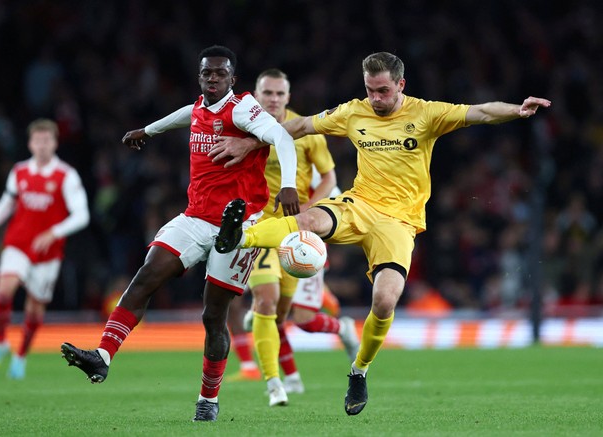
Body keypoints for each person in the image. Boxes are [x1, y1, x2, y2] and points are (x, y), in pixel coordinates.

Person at [212, 51, 551, 415]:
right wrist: (251, 142)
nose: (376, 99)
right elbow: (301, 125)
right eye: (370, 90)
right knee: (310, 221)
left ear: (401, 85)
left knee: (385, 301)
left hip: (399, 222)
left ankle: (358, 371)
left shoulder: (426, 113)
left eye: (383, 91)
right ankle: (237, 237)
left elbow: (480, 112)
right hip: (359, 205)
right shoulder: (353, 112)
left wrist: (516, 109)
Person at [59, 46, 300, 422]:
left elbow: (282, 138)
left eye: (221, 73)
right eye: (207, 73)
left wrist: (288, 186)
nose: (213, 78)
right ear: (200, 76)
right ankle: (102, 356)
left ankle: (208, 399)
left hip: (240, 224)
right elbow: (186, 115)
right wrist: (147, 131)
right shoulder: (201, 108)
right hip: (195, 217)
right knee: (146, 276)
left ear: (232, 78)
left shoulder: (243, 108)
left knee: (213, 315)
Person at [218, 69, 359, 406]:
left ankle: (336, 330)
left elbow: (329, 179)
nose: (274, 99)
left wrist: (307, 211)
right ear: (256, 93)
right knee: (264, 303)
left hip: (298, 232)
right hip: (258, 228)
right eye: (268, 93)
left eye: (280, 94)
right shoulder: (244, 129)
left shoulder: (305, 130)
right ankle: (275, 385)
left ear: (288, 97)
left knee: (293, 318)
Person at [0, 118, 89, 380]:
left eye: (47, 140)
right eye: (37, 140)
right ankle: (1, 342)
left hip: (48, 254)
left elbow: (82, 215)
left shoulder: (66, 176)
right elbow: (7, 202)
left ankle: (21, 355)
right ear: (30, 143)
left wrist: (54, 232)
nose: (42, 145)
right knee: (4, 290)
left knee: (34, 307)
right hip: (18, 243)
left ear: (55, 143)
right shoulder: (19, 172)